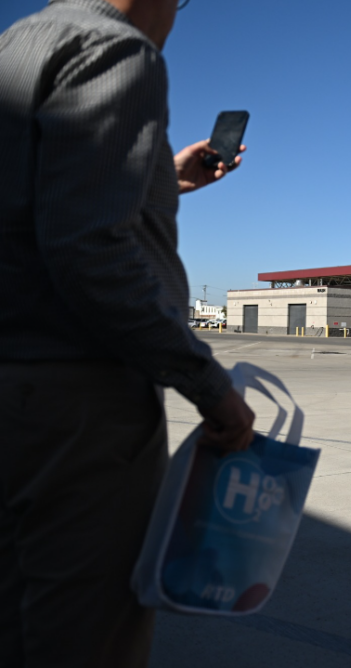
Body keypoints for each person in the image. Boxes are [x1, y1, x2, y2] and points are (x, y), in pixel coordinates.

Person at [0, 0, 255, 665]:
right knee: (89, 636)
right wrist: (209, 384)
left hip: (16, 386)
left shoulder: (17, 45)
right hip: (78, 405)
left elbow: (37, 201)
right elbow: (90, 249)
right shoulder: (118, 50)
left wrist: (162, 176)